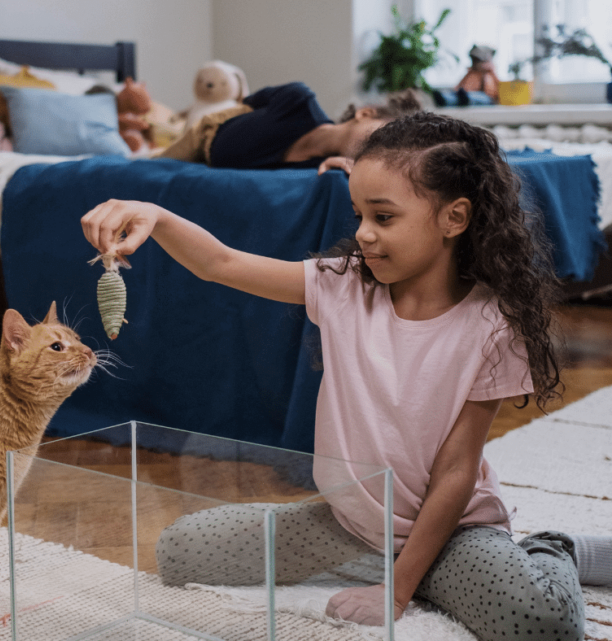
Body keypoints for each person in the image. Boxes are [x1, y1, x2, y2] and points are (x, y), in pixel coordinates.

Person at [81, 112, 612, 641]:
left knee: (542, 623)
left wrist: (397, 591)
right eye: (358, 214)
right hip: (351, 528)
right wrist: (156, 214)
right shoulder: (341, 287)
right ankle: (427, 579)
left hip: (452, 531)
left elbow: (455, 472)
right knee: (180, 551)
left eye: (383, 217)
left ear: (454, 218)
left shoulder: (494, 326)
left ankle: (553, 546)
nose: (363, 233)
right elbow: (220, 263)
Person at [154, 81, 422, 171]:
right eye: (381, 134)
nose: (377, 146)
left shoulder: (325, 167)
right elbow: (248, 102)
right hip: (208, 133)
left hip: (215, 162)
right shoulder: (298, 100)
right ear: (365, 113)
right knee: (154, 161)